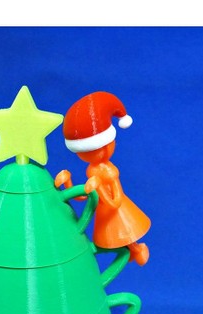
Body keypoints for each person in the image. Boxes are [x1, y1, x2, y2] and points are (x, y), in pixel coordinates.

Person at [55, 91, 151, 266]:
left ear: (109, 144)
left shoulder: (109, 171)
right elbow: (83, 196)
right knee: (107, 243)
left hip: (116, 214)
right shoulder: (92, 170)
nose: (89, 154)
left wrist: (98, 187)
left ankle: (136, 249)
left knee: (119, 238)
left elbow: (115, 202)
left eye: (94, 149)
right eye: (84, 152)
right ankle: (133, 250)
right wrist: (67, 181)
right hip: (103, 213)